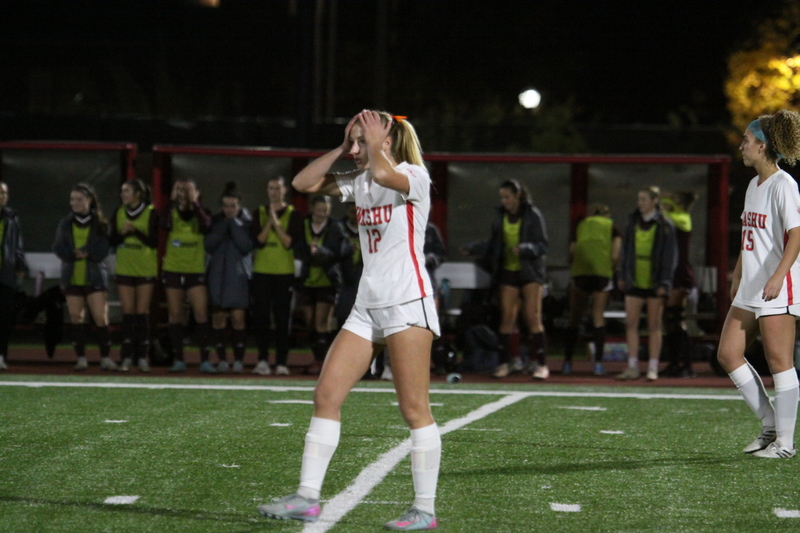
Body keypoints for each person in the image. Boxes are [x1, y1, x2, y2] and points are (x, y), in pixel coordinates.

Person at [258, 110, 442, 531]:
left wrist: (376, 145)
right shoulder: (360, 180)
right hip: (367, 305)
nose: (356, 150)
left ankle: (425, 509)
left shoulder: (414, 175)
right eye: (352, 143)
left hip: (406, 303)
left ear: (387, 139)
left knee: (414, 409)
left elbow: (385, 173)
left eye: (362, 142)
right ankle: (306, 497)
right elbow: (302, 185)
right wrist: (343, 148)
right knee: (326, 395)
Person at [717, 110, 800, 458]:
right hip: (752, 285)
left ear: (763, 146)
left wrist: (778, 276)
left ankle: (785, 443)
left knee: (779, 361)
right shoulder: (754, 185)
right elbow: (750, 237)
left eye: (747, 142)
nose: (742, 147)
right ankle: (770, 425)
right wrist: (738, 274)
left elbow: (796, 235)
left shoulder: (784, 185)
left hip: (776, 287)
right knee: (728, 354)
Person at [463, 179, 550, 380]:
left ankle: (542, 365)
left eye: (507, 197)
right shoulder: (500, 216)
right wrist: (474, 248)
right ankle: (506, 362)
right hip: (508, 271)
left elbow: (542, 245)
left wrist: (526, 249)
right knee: (507, 318)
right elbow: (493, 243)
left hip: (530, 272)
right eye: (502, 197)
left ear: (517, 195)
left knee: (532, 317)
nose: (504, 201)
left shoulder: (532, 215)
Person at [52, 183, 116, 371]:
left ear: (89, 200)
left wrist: (87, 253)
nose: (75, 203)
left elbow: (104, 248)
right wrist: (72, 254)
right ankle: (81, 358)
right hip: (72, 276)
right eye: (72, 199)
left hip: (94, 276)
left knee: (100, 317)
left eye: (79, 199)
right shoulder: (65, 223)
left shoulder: (101, 223)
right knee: (75, 317)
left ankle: (105, 357)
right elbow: (57, 246)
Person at [616, 186, 677, 381]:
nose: (640, 203)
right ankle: (632, 366)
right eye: (639, 199)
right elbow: (626, 250)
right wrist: (622, 275)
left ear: (653, 201)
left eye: (643, 199)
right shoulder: (632, 221)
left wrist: (665, 282)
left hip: (655, 280)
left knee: (653, 325)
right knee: (631, 323)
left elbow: (670, 256)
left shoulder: (665, 224)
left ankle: (652, 367)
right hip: (634, 279)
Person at [249, 175, 305, 376]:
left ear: (284, 191)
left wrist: (276, 223)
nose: (274, 192)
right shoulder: (259, 213)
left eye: (278, 188)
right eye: (271, 188)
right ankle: (262, 360)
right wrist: (269, 222)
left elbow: (289, 242)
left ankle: (281, 362)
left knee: (283, 319)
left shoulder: (293, 214)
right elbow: (259, 240)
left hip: (284, 273)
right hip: (262, 272)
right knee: (262, 318)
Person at [562, 203, 622, 376]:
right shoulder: (612, 227)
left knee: (574, 318)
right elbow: (616, 253)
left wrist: (573, 267)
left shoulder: (581, 225)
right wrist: (612, 269)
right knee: (598, 318)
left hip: (580, 273)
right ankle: (598, 365)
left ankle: (567, 363)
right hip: (601, 273)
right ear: (607, 215)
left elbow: (572, 250)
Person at [160, 179, 213, 372]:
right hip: (173, 269)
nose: (185, 194)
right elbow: (163, 223)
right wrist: (173, 199)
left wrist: (194, 201)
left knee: (200, 314)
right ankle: (179, 359)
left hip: (195, 271)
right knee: (175, 314)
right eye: (182, 191)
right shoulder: (171, 212)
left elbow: (206, 225)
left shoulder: (202, 212)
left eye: (189, 191)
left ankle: (205, 360)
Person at [109, 179, 158, 372]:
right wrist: (123, 234)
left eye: (126, 191)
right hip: (125, 268)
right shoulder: (119, 212)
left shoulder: (151, 212)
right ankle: (127, 357)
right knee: (128, 314)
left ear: (138, 194)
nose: (122, 194)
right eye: (122, 191)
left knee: (141, 314)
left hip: (145, 269)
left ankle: (142, 356)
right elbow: (112, 240)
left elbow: (154, 242)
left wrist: (135, 231)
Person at [297, 195, 349, 375]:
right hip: (306, 279)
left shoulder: (335, 227)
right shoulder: (302, 224)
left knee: (321, 323)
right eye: (319, 210)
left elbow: (339, 252)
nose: (322, 214)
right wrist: (306, 253)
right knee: (310, 323)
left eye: (325, 210)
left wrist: (320, 252)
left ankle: (323, 363)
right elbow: (296, 246)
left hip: (326, 280)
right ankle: (318, 358)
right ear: (312, 209)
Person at [205, 181, 253, 373]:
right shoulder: (214, 222)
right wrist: (223, 226)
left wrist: (232, 224)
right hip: (217, 277)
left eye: (233, 206)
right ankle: (222, 360)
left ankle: (239, 360)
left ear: (239, 205)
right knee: (218, 318)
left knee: (237, 318)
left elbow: (246, 246)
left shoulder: (247, 223)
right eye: (226, 206)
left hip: (238, 277)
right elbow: (209, 245)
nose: (229, 209)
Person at [661, 190, 699, 378]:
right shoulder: (673, 217)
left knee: (676, 318)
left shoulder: (683, 218)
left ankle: (687, 365)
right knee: (669, 320)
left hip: (681, 273)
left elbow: (666, 214)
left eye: (673, 200)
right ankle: (675, 363)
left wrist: (661, 201)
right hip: (672, 274)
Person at [0, 182, 28, 371]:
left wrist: (20, 264)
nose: (1, 195)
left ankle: (1, 355)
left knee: (3, 317)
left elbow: (17, 245)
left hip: (5, 274)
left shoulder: (11, 217)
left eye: (4, 193)